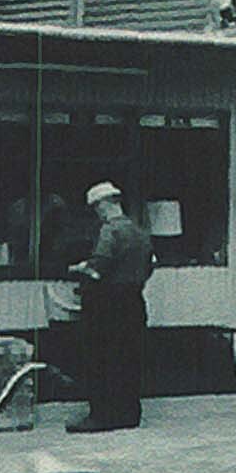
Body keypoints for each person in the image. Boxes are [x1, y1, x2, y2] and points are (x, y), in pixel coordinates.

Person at [62, 180, 154, 434]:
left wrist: (79, 268)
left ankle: (102, 415)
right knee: (129, 359)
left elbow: (97, 269)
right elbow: (148, 267)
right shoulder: (139, 231)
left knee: (102, 359)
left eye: (96, 208)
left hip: (107, 305)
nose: (97, 213)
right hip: (134, 300)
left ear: (102, 205)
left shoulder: (110, 231)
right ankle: (129, 413)